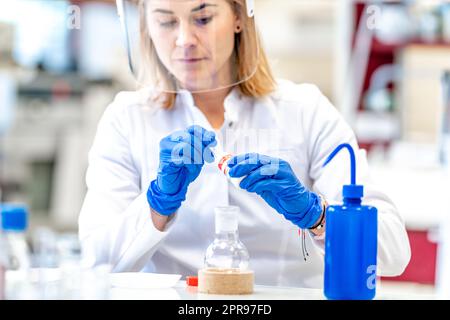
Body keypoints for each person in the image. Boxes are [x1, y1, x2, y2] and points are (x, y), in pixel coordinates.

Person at [78, 0, 410, 288]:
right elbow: (95, 263)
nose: (184, 40)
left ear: (239, 16)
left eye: (203, 18)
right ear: (145, 26)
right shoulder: (126, 119)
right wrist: (156, 206)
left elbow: (393, 252)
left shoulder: (306, 111)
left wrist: (317, 215)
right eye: (165, 21)